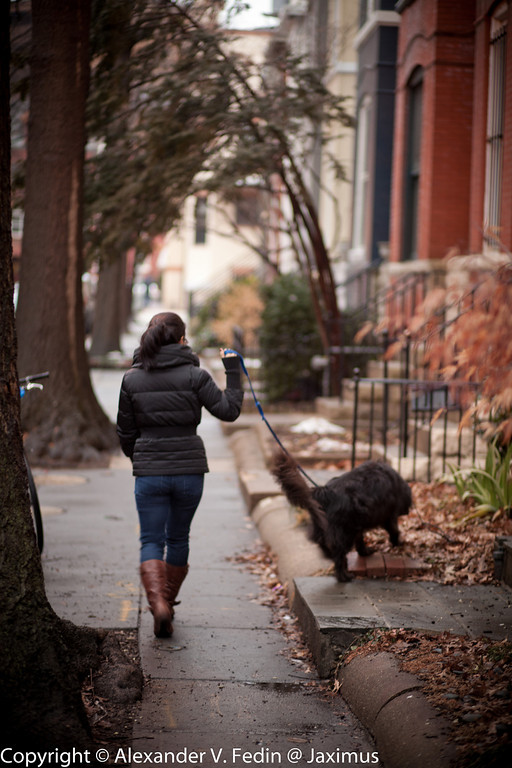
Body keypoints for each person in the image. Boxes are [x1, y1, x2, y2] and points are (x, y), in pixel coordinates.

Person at [116, 311, 243, 638]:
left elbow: (125, 433)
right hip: (189, 470)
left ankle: (157, 604)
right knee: (178, 538)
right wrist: (233, 370)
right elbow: (228, 411)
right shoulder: (195, 376)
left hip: (150, 473)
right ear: (182, 339)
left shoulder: (131, 379)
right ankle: (168, 603)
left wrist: (140, 457)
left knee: (151, 540)